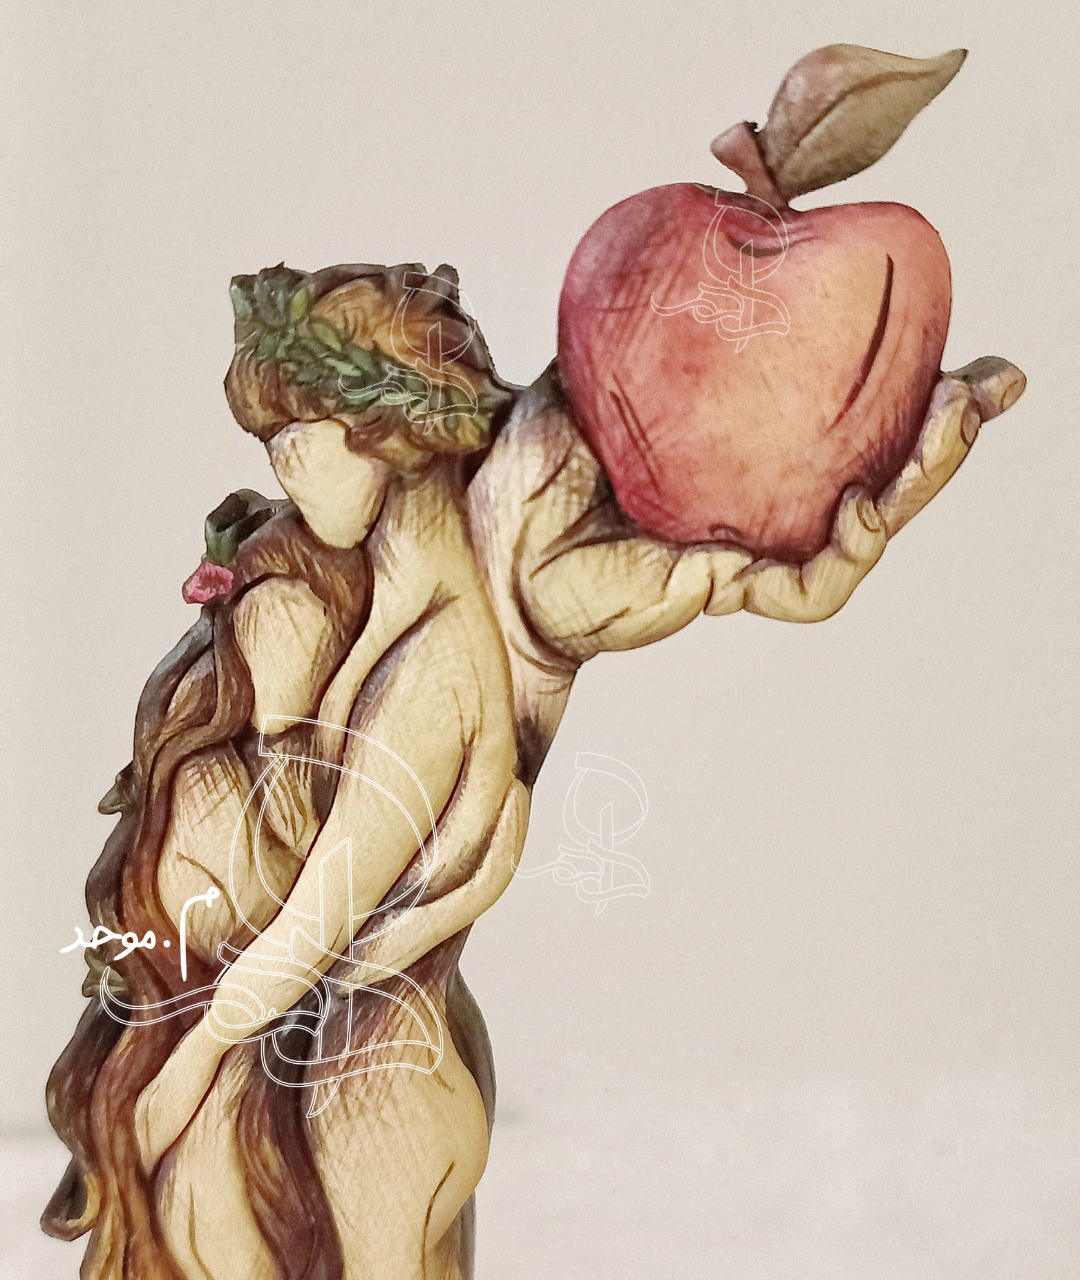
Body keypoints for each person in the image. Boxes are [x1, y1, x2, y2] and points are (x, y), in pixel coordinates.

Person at [45, 261, 1024, 1280]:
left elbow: (313, 927)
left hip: (367, 1098)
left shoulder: (436, 673)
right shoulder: (451, 549)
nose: (280, 465)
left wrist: (171, 1083)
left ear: (382, 437)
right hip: (343, 1073)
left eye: (294, 434)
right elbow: (602, 390)